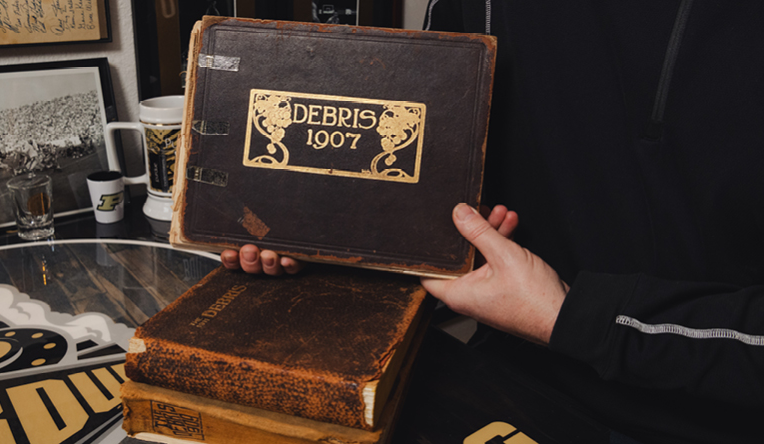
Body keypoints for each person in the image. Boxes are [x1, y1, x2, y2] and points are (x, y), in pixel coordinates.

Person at [224, 2, 764, 443]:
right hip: (498, 381)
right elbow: (425, 187)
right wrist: (313, 230)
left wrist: (567, 315)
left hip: (714, 419)